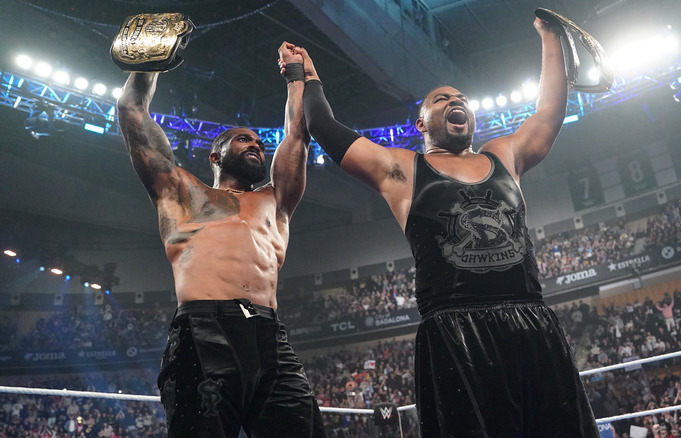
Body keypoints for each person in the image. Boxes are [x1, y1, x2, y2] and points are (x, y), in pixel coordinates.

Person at [285, 13, 600, 438]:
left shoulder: (502, 155)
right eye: (441, 98)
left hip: (530, 318)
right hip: (455, 329)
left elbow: (548, 113)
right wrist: (309, 77)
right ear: (420, 124)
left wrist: (550, 38)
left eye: (461, 97)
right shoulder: (402, 168)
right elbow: (325, 127)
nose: (455, 100)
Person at [116, 42, 326, 438]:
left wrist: (297, 75)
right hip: (202, 332)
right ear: (215, 156)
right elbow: (132, 115)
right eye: (243, 140)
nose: (256, 146)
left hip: (268, 335)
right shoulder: (181, 192)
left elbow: (297, 134)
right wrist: (149, 64)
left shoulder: (275, 199)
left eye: (259, 143)